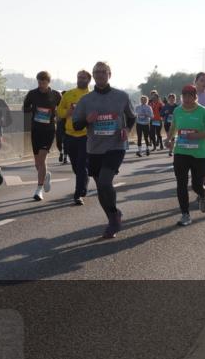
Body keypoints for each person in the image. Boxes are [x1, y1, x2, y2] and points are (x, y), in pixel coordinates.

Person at [72, 61, 136, 238]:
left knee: (105, 182)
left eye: (103, 71)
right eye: (97, 72)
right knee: (101, 188)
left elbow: (131, 117)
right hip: (94, 148)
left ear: (109, 74)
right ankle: (113, 216)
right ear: (93, 76)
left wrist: (127, 130)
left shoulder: (121, 96)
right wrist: (87, 121)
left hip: (116, 145)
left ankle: (114, 218)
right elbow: (76, 125)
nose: (100, 74)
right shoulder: (85, 100)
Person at [167, 84, 205, 226]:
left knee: (196, 185)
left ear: (195, 97)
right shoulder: (177, 110)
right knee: (181, 184)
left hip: (199, 154)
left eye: (190, 96)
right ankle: (185, 214)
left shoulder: (203, 111)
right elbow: (173, 128)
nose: (187, 99)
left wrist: (198, 135)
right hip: (181, 152)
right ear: (182, 97)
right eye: (185, 96)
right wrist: (169, 139)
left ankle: (202, 195)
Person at [23, 71, 61, 201]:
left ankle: (39, 189)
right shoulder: (32, 93)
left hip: (49, 130)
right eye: (39, 82)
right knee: (37, 163)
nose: (41, 84)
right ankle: (45, 176)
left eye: (43, 82)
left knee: (43, 158)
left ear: (48, 82)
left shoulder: (56, 95)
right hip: (36, 129)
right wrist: (34, 109)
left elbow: (62, 109)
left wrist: (55, 114)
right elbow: (25, 108)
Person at [57, 69, 92, 205]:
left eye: (83, 78)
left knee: (82, 165)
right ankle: (83, 181)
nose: (80, 79)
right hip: (70, 135)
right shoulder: (69, 94)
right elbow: (59, 112)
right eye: (79, 77)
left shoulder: (91, 95)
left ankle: (78, 194)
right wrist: (68, 112)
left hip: (86, 135)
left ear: (89, 80)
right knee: (76, 167)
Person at [161, 93, 178, 157]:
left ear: (174, 99)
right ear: (168, 99)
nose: (171, 100)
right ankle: (170, 148)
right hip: (167, 123)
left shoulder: (177, 106)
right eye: (170, 99)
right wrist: (165, 112)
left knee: (172, 137)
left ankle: (171, 151)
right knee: (169, 136)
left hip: (174, 123)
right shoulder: (165, 106)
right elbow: (161, 114)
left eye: (173, 98)